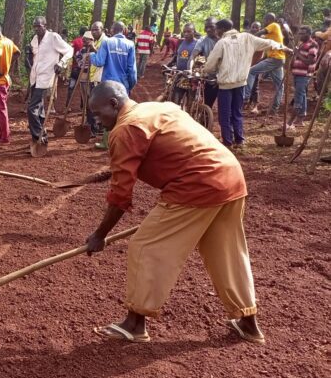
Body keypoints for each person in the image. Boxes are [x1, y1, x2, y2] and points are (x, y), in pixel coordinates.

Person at [85, 80, 264, 345]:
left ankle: (134, 323)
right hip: (230, 175)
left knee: (146, 246)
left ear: (114, 103)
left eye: (99, 114)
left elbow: (121, 195)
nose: (97, 121)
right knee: (226, 252)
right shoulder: (158, 109)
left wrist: (99, 235)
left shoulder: (125, 129)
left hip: (196, 185)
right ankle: (248, 323)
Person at [203, 19, 291, 148]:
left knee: (225, 115)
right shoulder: (248, 38)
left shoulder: (222, 43)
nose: (216, 32)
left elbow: (210, 66)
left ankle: (227, 142)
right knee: (237, 112)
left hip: (225, 85)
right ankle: (240, 140)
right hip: (241, 83)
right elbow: (270, 43)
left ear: (221, 29)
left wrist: (208, 70)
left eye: (217, 29)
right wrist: (285, 48)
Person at [88, 21, 137, 149]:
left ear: (111, 30)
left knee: (107, 112)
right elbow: (132, 69)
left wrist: (92, 54)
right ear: (124, 30)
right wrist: (130, 85)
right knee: (124, 112)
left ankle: (106, 142)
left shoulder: (107, 42)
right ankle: (123, 142)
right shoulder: (130, 44)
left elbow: (99, 62)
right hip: (123, 84)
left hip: (109, 85)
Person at [27, 16, 74, 145]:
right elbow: (33, 57)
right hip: (34, 78)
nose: (37, 29)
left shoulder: (53, 37)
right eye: (35, 26)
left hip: (46, 78)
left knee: (31, 109)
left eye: (39, 26)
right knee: (40, 109)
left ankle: (37, 137)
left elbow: (70, 50)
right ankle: (44, 136)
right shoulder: (35, 40)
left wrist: (61, 63)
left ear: (45, 26)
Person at [244, 13, 288, 116]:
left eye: (265, 20)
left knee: (251, 71)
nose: (264, 22)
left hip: (275, 59)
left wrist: (249, 37)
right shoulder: (272, 32)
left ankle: (245, 97)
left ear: (270, 19)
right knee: (279, 86)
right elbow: (264, 40)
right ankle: (274, 109)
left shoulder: (274, 25)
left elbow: (260, 33)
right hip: (278, 59)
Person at [0, 22, 21, 146]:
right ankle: (0, 134)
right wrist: (8, 63)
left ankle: (5, 138)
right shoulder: (8, 41)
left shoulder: (0, 44)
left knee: (1, 109)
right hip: (5, 80)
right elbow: (18, 53)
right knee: (0, 108)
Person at [289, 26, 319, 129]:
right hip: (297, 73)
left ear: (309, 34)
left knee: (299, 96)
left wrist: (297, 53)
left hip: (304, 74)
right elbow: (298, 57)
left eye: (303, 34)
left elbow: (310, 61)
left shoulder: (313, 45)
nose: (300, 35)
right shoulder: (302, 44)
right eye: (300, 33)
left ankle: (291, 121)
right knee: (302, 95)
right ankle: (301, 119)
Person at [190, 17, 220, 107]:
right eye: (206, 27)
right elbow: (193, 56)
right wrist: (190, 69)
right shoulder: (202, 40)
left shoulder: (225, 40)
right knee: (208, 104)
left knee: (225, 106)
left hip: (225, 78)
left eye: (211, 26)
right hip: (211, 78)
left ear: (218, 27)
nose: (208, 29)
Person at [85, 22, 106, 137]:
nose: (94, 32)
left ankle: (95, 127)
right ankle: (95, 127)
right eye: (92, 30)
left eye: (96, 30)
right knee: (93, 103)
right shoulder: (96, 41)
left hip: (100, 77)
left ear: (102, 30)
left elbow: (102, 59)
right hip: (93, 77)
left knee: (94, 104)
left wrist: (92, 48)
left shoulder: (105, 42)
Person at [169, 24, 198, 106]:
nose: (186, 34)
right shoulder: (180, 42)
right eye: (184, 32)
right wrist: (171, 65)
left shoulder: (198, 44)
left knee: (190, 102)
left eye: (189, 31)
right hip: (180, 75)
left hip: (191, 77)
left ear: (194, 32)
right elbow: (176, 56)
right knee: (176, 100)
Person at [246, 21, 264, 111]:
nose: (254, 29)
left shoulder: (262, 40)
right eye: (253, 27)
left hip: (256, 65)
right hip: (247, 64)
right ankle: (248, 102)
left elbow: (262, 54)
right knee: (247, 84)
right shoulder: (248, 38)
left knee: (255, 85)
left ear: (260, 29)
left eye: (256, 27)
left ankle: (255, 105)